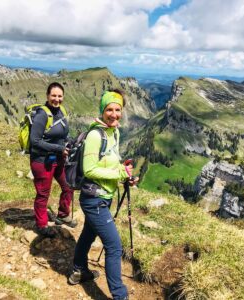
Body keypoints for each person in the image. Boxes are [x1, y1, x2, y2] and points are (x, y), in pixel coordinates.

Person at [69, 89, 137, 300]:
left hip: (104, 196)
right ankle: (120, 296)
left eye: (118, 110)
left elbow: (111, 161)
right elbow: (89, 169)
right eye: (109, 109)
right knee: (114, 247)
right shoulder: (95, 135)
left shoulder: (113, 132)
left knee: (89, 233)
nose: (114, 114)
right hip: (93, 199)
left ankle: (78, 271)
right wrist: (118, 172)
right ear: (102, 110)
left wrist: (124, 173)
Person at [30, 82, 77, 238]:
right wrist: (59, 149)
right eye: (53, 96)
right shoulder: (42, 115)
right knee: (43, 194)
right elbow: (35, 141)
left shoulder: (61, 111)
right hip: (42, 161)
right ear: (47, 96)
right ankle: (41, 224)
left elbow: (62, 135)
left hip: (59, 158)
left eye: (59, 96)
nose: (57, 99)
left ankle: (63, 214)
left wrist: (70, 142)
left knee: (68, 185)